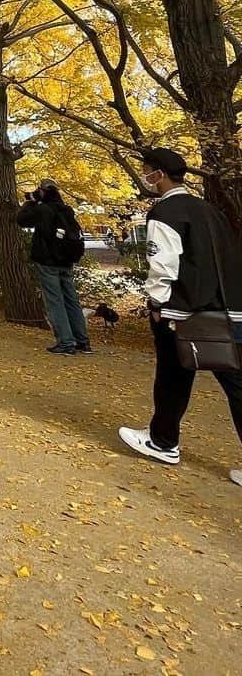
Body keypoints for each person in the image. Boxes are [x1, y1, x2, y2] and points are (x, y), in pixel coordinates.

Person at [119, 147, 242, 485]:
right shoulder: (209, 211)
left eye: (147, 170)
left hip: (183, 310)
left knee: (173, 376)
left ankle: (163, 441)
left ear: (158, 173)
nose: (146, 176)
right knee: (236, 382)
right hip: (227, 309)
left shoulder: (166, 212)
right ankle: (162, 438)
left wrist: (156, 304)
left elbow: (163, 265)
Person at [27, 179, 90, 354]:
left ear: (43, 191)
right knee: (71, 300)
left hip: (48, 262)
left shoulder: (42, 209)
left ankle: (65, 342)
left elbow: (22, 220)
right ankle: (82, 341)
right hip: (66, 260)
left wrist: (31, 202)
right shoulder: (66, 209)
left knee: (55, 302)